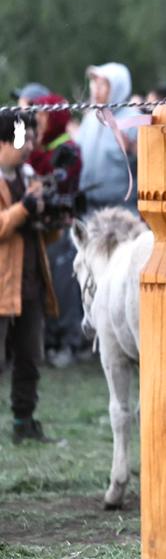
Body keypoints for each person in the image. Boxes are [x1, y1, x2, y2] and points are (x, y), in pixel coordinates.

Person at [0, 113, 58, 443]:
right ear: (3, 143)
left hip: (30, 283)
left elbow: (41, 237)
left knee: (29, 358)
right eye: (21, 142)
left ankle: (24, 422)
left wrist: (50, 218)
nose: (27, 149)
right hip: (2, 285)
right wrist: (23, 208)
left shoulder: (30, 177)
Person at [27, 94, 85, 365]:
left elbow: (53, 177)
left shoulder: (68, 149)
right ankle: (49, 339)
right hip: (39, 229)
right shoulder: (41, 146)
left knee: (63, 286)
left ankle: (69, 342)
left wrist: (37, 151)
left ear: (54, 117)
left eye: (42, 114)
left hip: (60, 229)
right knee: (43, 287)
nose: (38, 120)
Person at [79, 63, 137, 212]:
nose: (96, 90)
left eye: (103, 84)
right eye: (94, 83)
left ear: (118, 87)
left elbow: (147, 163)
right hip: (89, 209)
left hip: (123, 211)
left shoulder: (134, 120)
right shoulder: (91, 118)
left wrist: (133, 150)